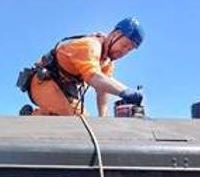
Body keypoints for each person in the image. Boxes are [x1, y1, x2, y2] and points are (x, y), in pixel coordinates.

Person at [17, 17, 145, 117]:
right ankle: (32, 116)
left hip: (65, 89)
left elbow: (102, 90)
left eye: (129, 50)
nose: (124, 52)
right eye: (124, 45)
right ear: (115, 35)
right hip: (43, 82)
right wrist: (125, 91)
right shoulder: (91, 46)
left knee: (84, 121)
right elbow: (94, 77)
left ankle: (42, 113)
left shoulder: (107, 62)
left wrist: (103, 119)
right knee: (71, 121)